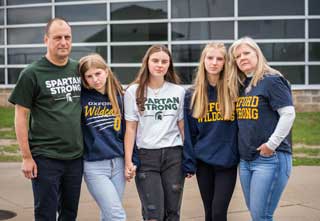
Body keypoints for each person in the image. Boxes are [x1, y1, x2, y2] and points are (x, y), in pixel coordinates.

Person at [8, 18, 83, 221]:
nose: (63, 42)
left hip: (75, 157)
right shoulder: (32, 73)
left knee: (69, 213)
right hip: (45, 157)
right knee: (46, 213)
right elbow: (21, 116)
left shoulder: (79, 70)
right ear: (46, 39)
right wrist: (26, 157)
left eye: (67, 37)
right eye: (57, 37)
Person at [228, 36, 296, 221]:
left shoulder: (272, 80)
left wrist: (271, 145)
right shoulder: (243, 85)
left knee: (261, 216)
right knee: (258, 215)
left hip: (270, 158)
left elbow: (288, 114)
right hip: (246, 161)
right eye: (238, 56)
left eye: (246, 53)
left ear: (257, 54)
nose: (242, 58)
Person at [124, 44, 185, 221]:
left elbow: (182, 127)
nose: (160, 64)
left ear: (169, 65)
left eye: (164, 61)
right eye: (155, 60)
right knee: (153, 213)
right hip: (146, 157)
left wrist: (189, 157)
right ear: (147, 63)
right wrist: (128, 160)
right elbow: (131, 128)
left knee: (172, 212)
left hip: (174, 156)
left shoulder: (178, 91)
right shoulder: (133, 91)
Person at [183, 43, 239, 221]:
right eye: (210, 58)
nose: (214, 62)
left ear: (225, 63)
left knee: (218, 213)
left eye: (219, 59)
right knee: (209, 212)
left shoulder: (235, 91)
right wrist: (189, 162)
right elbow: (190, 133)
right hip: (203, 163)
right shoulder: (192, 94)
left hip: (226, 161)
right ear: (203, 61)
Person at [78, 53, 126, 221]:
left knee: (108, 214)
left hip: (118, 164)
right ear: (84, 79)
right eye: (89, 76)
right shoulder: (82, 98)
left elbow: (128, 132)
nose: (95, 79)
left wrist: (130, 161)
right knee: (116, 214)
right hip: (94, 165)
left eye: (98, 73)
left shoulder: (120, 96)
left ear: (106, 71)